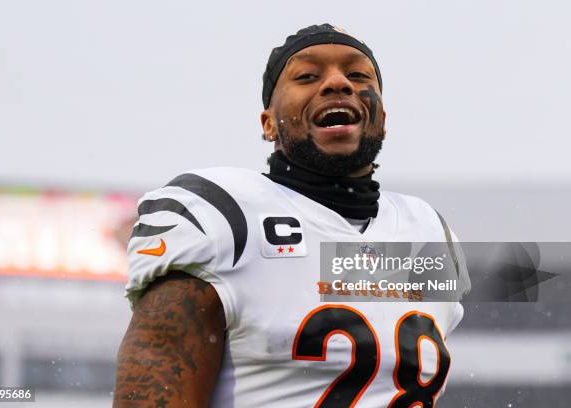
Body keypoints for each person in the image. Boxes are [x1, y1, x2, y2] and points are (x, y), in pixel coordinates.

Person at [113, 23, 469, 407]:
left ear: (381, 117)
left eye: (357, 74)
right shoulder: (226, 215)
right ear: (268, 123)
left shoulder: (428, 230)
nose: (338, 84)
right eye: (307, 76)